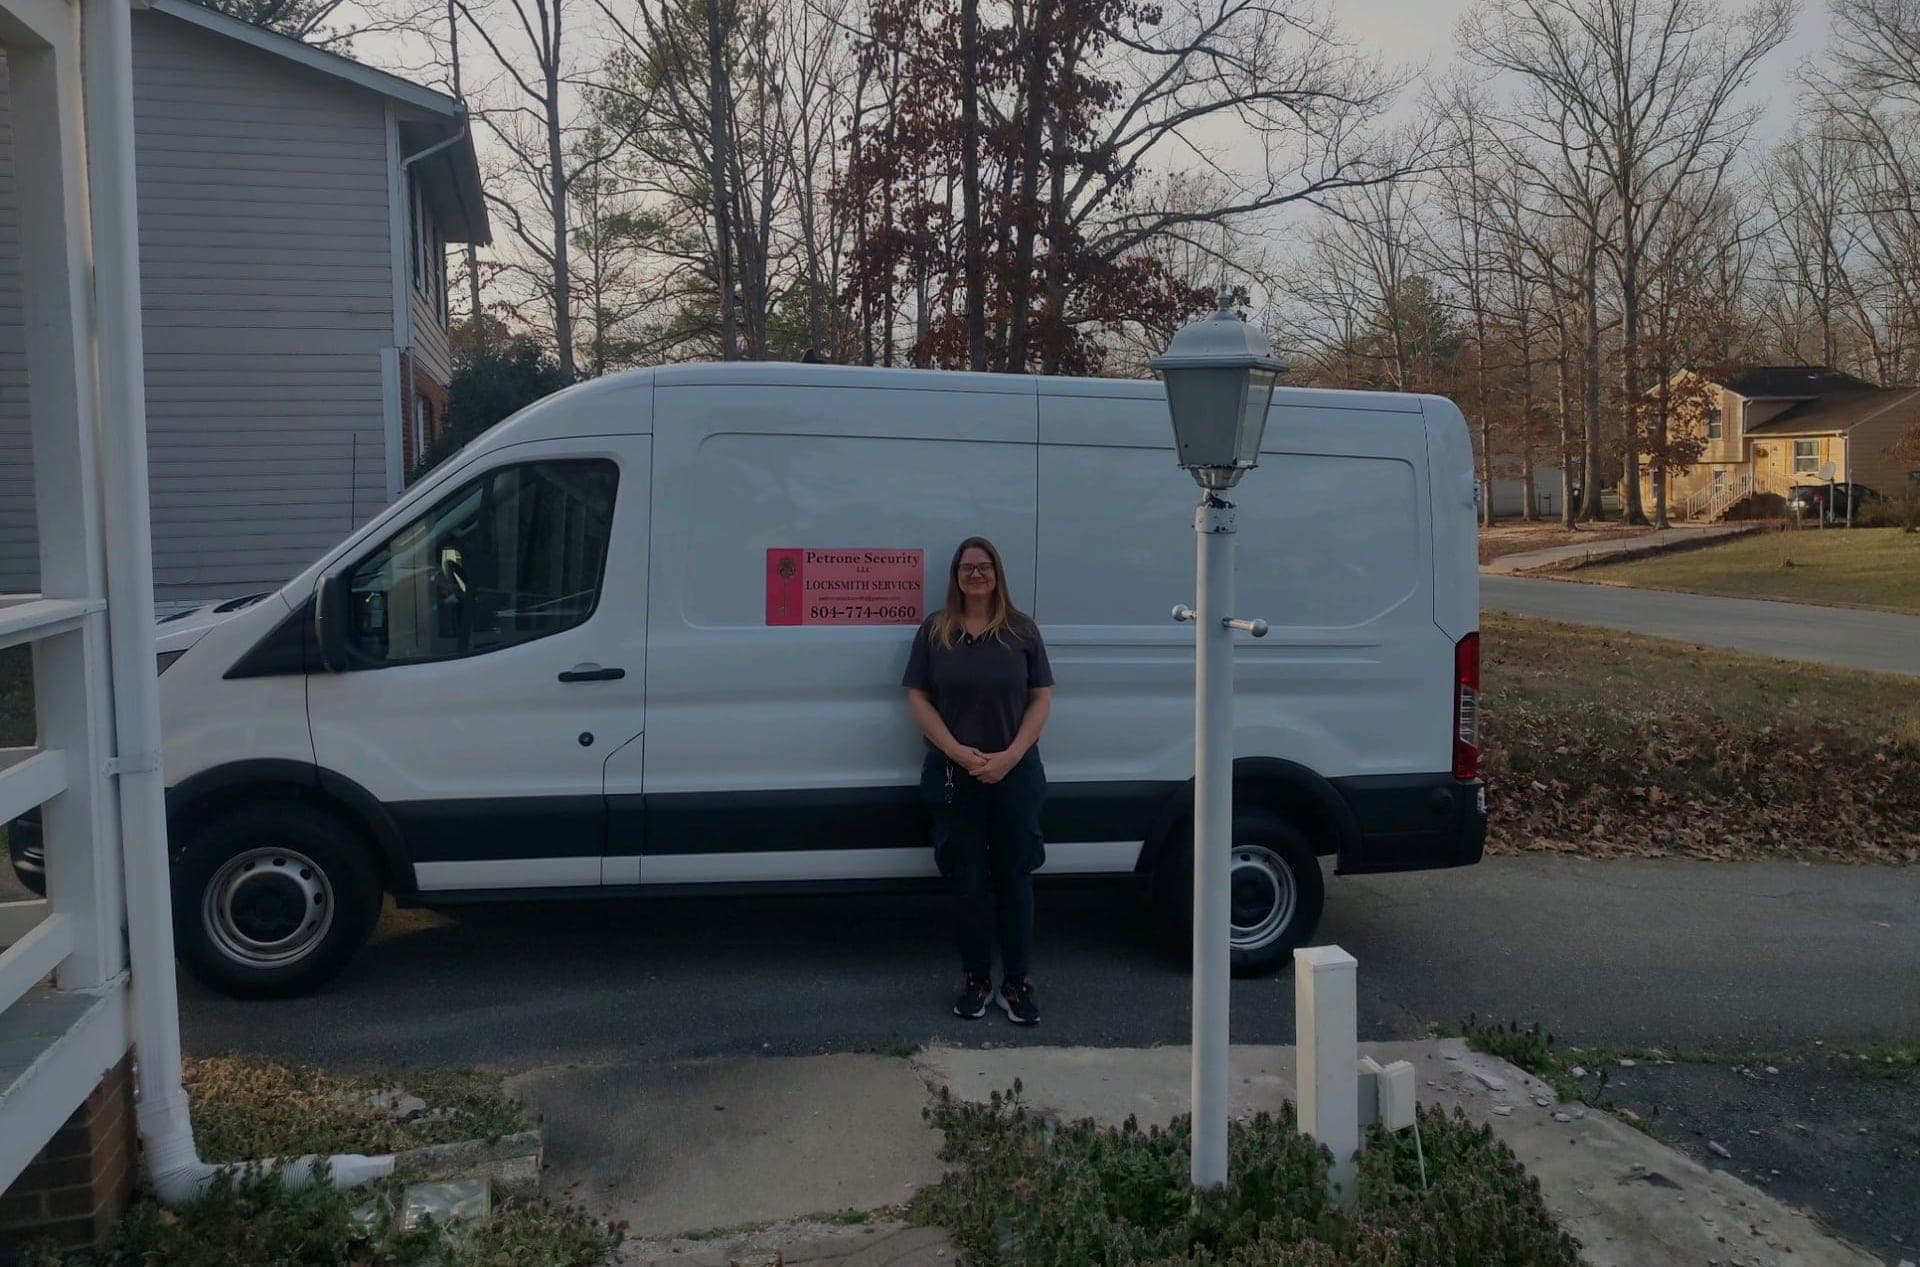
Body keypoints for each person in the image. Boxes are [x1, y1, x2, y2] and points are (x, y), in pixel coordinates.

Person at [903, 537, 1053, 1025]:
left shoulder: (1021, 630)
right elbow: (918, 697)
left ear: (997, 573)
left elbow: (1040, 697)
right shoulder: (936, 631)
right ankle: (976, 980)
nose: (976, 574)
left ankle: (1017, 983)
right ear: (955, 575)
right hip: (954, 774)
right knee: (967, 880)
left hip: (1015, 773)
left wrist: (1010, 756)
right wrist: (955, 750)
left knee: (1015, 878)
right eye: (967, 567)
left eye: (984, 566)